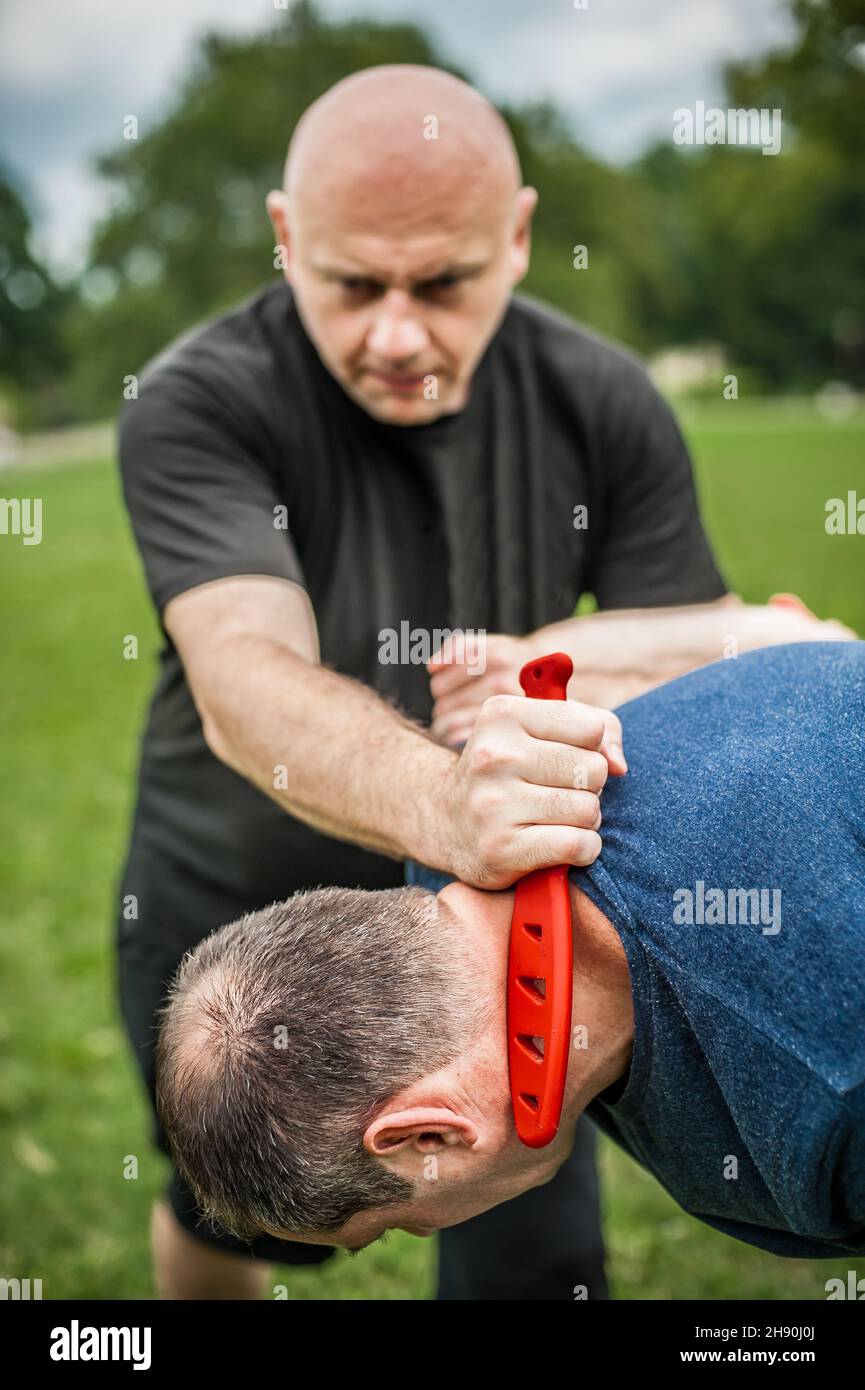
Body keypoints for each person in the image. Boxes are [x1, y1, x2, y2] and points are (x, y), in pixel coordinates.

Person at [116, 60, 845, 1300]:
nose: (396, 335)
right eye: (350, 283)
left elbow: (692, 656)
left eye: (443, 282)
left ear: (515, 239)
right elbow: (243, 676)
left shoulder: (602, 396)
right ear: (287, 239)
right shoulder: (198, 400)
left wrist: (635, 659)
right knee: (235, 1218)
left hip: (507, 910)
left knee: (532, 1252)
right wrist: (445, 801)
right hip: (235, 906)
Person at [156, 642, 865, 1274]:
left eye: (394, 1228)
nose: (420, 1230)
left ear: (427, 1134)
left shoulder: (824, 1089)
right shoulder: (454, 851)